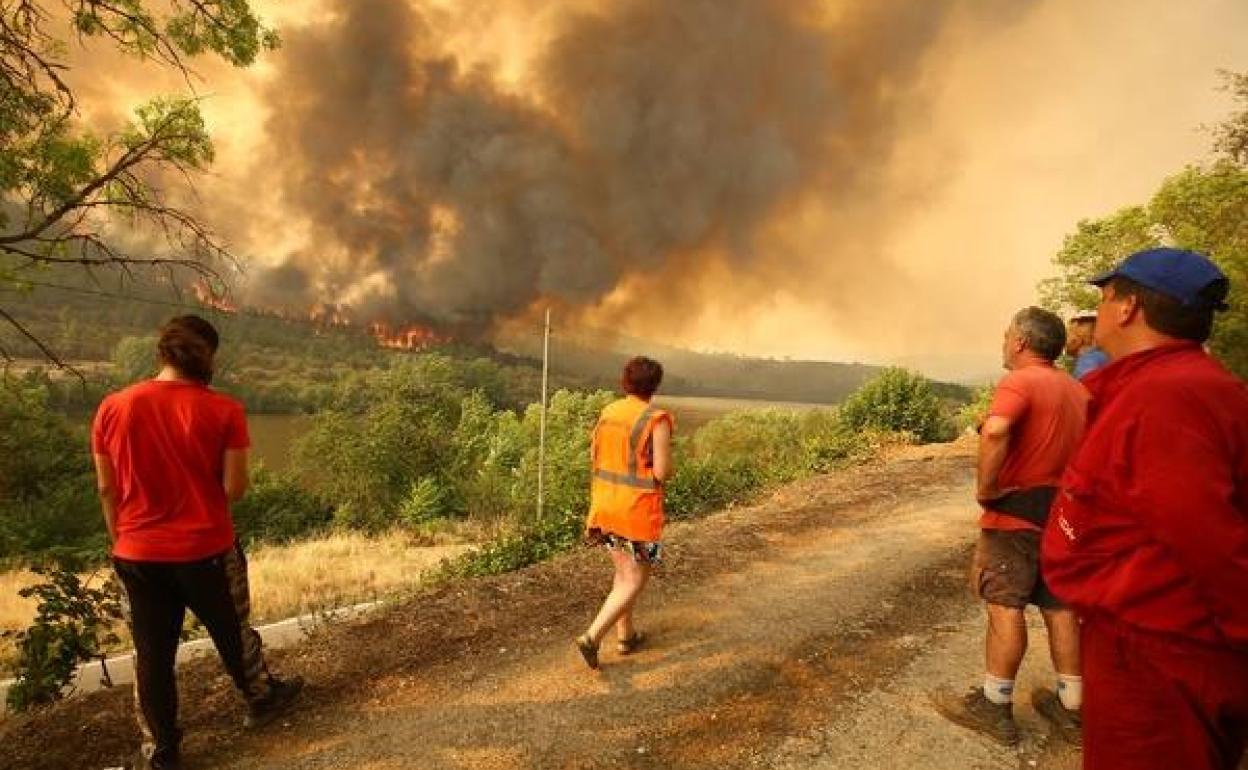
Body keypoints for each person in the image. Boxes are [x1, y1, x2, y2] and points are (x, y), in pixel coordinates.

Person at [1042, 247, 1247, 770]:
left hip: (1159, 660)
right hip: (1154, 650)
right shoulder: (1177, 386)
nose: (1098, 313)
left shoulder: (1166, 399)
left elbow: (1212, 543)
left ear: (1128, 307)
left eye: (1105, 297)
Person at [92, 316, 303, 770]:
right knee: (233, 630)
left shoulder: (112, 406)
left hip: (136, 554)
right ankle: (262, 700)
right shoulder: (223, 410)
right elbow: (234, 488)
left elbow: (107, 489)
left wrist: (121, 540)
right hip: (206, 549)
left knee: (152, 656)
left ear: (160, 353)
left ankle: (162, 751)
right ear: (209, 357)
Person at [933, 307, 1090, 746]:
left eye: (1006, 336)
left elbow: (998, 430)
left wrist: (987, 487)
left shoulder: (1019, 381)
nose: (1003, 343)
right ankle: (1072, 708)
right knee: (1060, 608)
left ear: (1020, 342)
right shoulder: (1076, 390)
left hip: (1017, 512)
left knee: (1005, 604)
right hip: (1063, 515)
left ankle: (994, 706)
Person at [575, 356, 674, 669]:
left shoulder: (609, 412)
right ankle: (591, 637)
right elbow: (662, 471)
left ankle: (626, 636)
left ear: (626, 382)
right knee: (633, 578)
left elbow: (595, 454)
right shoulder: (656, 419)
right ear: (655, 385)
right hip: (637, 510)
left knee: (623, 573)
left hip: (605, 505)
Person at [1066, 314, 1109, 379]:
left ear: (1077, 340)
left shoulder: (1087, 362)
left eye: (1069, 333)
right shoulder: (1101, 357)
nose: (1066, 340)